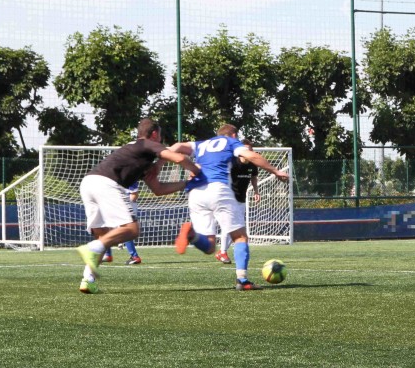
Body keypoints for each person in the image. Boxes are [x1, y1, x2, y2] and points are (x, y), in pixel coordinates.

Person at [76, 119, 199, 293]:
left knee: (103, 236)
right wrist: (199, 172)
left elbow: (157, 189)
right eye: (161, 136)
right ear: (155, 134)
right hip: (107, 183)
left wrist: (187, 182)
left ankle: (87, 280)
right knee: (132, 230)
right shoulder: (146, 144)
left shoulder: (138, 154)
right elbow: (178, 157)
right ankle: (91, 250)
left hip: (89, 183)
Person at [170, 124, 289, 290]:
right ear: (233, 135)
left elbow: (176, 147)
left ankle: (191, 234)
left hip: (195, 192)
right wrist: (275, 171)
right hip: (218, 189)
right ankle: (242, 280)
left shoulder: (202, 144)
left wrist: (159, 163)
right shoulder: (230, 142)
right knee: (240, 237)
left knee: (210, 246)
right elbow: (252, 155)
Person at [215, 139, 260, 264]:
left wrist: (256, 192)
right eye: (245, 149)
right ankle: (223, 252)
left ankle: (222, 252)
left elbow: (254, 177)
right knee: (228, 226)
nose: (247, 151)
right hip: (228, 198)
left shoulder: (252, 164)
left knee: (236, 227)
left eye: (249, 149)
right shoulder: (233, 163)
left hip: (241, 199)